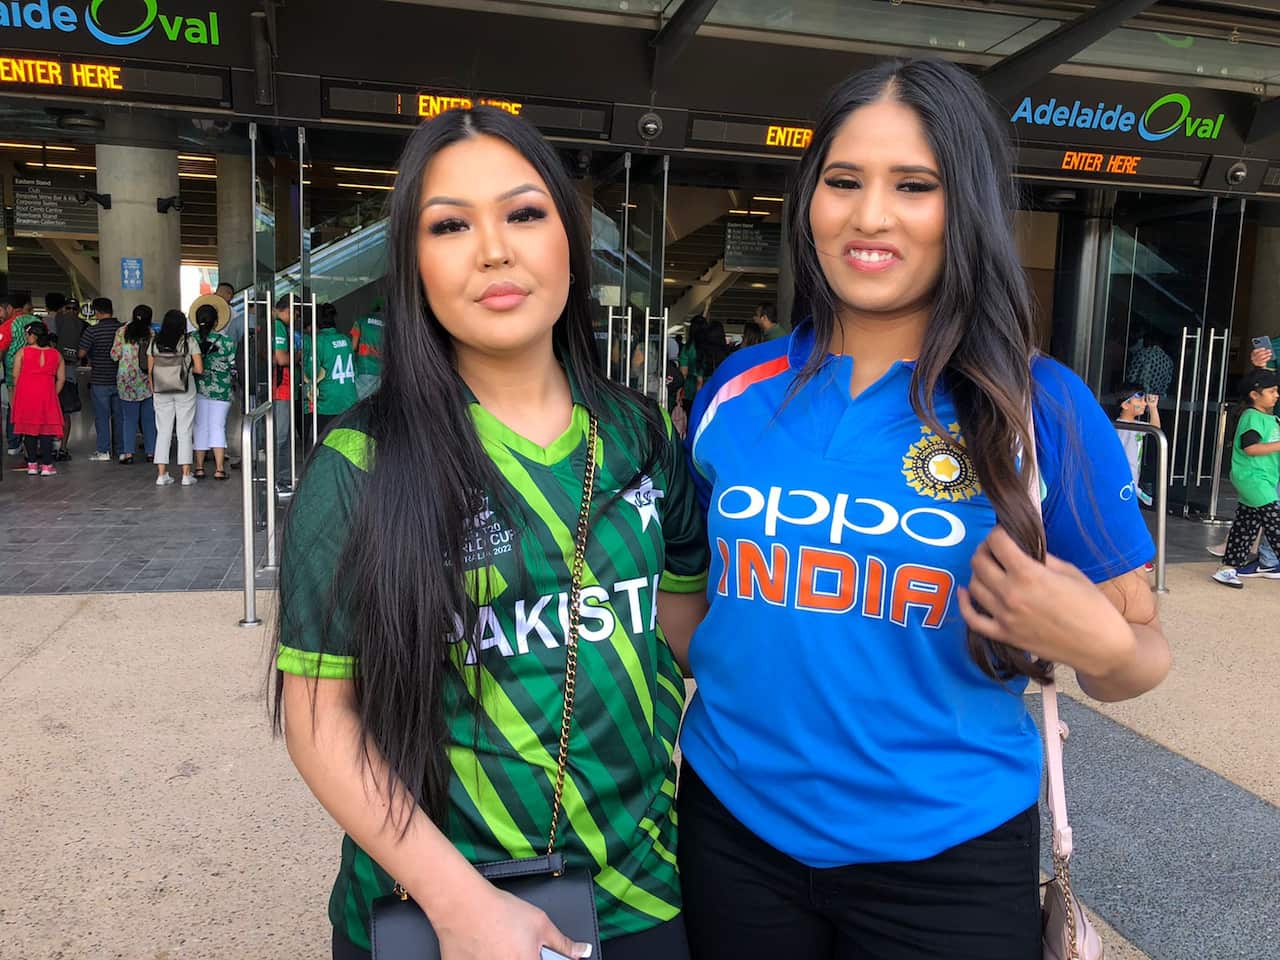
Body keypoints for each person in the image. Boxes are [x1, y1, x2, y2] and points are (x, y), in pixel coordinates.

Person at [675, 58, 1172, 960]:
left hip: (948, 856)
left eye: (915, 186)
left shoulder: (1041, 408)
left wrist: (1095, 639)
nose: (871, 216)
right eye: (843, 181)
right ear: (809, 201)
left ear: (967, 205)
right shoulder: (734, 391)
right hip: (731, 831)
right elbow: (695, 603)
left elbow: (1139, 656)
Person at [272, 105, 709, 960]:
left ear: (569, 242)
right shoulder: (361, 464)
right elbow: (321, 721)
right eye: (449, 225)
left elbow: (694, 639)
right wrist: (459, 902)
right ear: (414, 263)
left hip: (639, 894)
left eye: (523, 213)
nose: (494, 251)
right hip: (432, 911)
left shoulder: (641, 434)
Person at [1212, 370, 1280, 587]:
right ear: (1254, 394)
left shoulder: (1271, 418)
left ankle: (1227, 569)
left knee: (1246, 525)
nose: (1276, 395)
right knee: (1275, 522)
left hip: (1262, 479)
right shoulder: (1251, 416)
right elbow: (1250, 447)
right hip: (1253, 479)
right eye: (1271, 391)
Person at [148, 309, 204, 486]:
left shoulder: (154, 341)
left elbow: (150, 370)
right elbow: (200, 369)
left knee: (163, 431)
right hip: (185, 389)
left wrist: (153, 387)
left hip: (160, 389)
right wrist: (185, 368)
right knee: (184, 431)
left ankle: (161, 474)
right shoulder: (189, 341)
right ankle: (186, 475)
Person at [11, 320, 65, 476]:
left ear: (33, 335)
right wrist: (53, 393)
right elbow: (61, 378)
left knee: (29, 431)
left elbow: (15, 376)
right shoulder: (56, 354)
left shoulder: (23, 352)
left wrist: (19, 392)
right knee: (46, 430)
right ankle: (47, 466)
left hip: (26, 394)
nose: (26, 337)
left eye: (27, 334)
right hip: (47, 394)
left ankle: (32, 465)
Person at [301, 302, 358, 439]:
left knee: (320, 446)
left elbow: (311, 373)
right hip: (349, 401)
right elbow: (354, 370)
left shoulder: (318, 341)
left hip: (328, 404)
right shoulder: (346, 340)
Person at [193, 300, 236, 480]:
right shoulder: (226, 342)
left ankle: (200, 468)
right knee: (218, 427)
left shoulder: (190, 339)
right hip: (222, 390)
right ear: (216, 320)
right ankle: (219, 469)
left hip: (196, 389)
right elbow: (233, 365)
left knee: (200, 426)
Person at [78, 297, 124, 462]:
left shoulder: (92, 331)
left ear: (96, 312)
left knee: (102, 416)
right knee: (120, 417)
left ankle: (103, 450)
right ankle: (122, 450)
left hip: (99, 380)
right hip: (120, 380)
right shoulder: (122, 329)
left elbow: (81, 353)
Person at [111, 305, 157, 465]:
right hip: (147, 379)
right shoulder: (151, 333)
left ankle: (128, 453)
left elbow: (115, 355)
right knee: (149, 419)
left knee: (128, 419)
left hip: (126, 381)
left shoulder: (121, 331)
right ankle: (151, 452)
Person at [46, 295, 83, 460]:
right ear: (63, 308)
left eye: (75, 309)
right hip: (59, 376)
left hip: (65, 377)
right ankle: (57, 447)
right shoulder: (57, 322)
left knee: (63, 414)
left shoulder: (81, 326)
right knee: (56, 414)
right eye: (69, 308)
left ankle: (61, 448)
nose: (71, 311)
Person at [1114, 383, 1161, 508]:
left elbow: (1155, 429)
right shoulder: (1120, 429)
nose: (1144, 403)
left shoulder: (1135, 425)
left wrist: (1153, 408)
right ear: (1125, 405)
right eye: (1139, 399)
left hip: (1131, 483)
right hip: (1121, 483)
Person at [4, 291, 37, 456]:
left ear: (9, 307)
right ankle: (33, 444)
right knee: (33, 410)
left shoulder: (9, 325)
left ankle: (14, 443)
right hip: (36, 376)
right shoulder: (38, 322)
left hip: (14, 376)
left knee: (15, 409)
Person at [272, 294, 298, 489]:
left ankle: (283, 478)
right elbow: (280, 358)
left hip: (280, 388)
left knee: (284, 436)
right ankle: (279, 480)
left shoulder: (273, 325)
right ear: (289, 310)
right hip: (280, 388)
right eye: (296, 314)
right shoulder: (279, 326)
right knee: (280, 437)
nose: (296, 319)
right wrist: (298, 356)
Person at [350, 301, 385, 399]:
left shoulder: (361, 321)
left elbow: (353, 347)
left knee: (360, 405)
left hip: (364, 369)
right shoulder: (388, 325)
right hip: (382, 370)